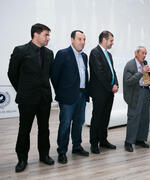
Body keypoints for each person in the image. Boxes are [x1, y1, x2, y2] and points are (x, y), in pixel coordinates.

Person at [7, 23, 54, 173]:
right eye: (46, 35)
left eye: (48, 35)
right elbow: (12, 74)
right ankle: (22, 159)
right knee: (24, 129)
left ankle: (44, 155)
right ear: (36, 34)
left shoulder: (49, 53)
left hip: (44, 99)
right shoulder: (20, 51)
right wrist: (22, 90)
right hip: (27, 99)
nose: (48, 38)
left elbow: (48, 75)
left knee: (44, 129)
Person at [51, 30, 89, 164]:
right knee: (65, 124)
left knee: (79, 123)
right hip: (67, 97)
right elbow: (54, 76)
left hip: (82, 95)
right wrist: (61, 93)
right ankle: (62, 151)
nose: (82, 42)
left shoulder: (84, 56)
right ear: (72, 39)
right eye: (79, 39)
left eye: (84, 39)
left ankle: (77, 147)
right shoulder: (62, 54)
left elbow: (84, 75)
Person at [88, 31, 119, 154]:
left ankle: (103, 140)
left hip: (109, 92)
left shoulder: (109, 54)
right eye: (111, 40)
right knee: (97, 118)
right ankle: (94, 143)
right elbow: (99, 73)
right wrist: (110, 86)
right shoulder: (95, 52)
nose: (112, 43)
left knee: (105, 117)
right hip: (100, 92)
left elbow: (112, 71)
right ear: (104, 40)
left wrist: (115, 83)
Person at [123, 46, 150, 152]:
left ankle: (140, 139)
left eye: (145, 53)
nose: (144, 55)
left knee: (144, 117)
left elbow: (146, 79)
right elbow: (128, 81)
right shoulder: (130, 65)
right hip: (135, 94)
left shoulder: (145, 63)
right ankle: (129, 142)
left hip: (145, 92)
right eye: (142, 53)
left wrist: (149, 79)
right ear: (136, 53)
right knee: (133, 118)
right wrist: (141, 72)